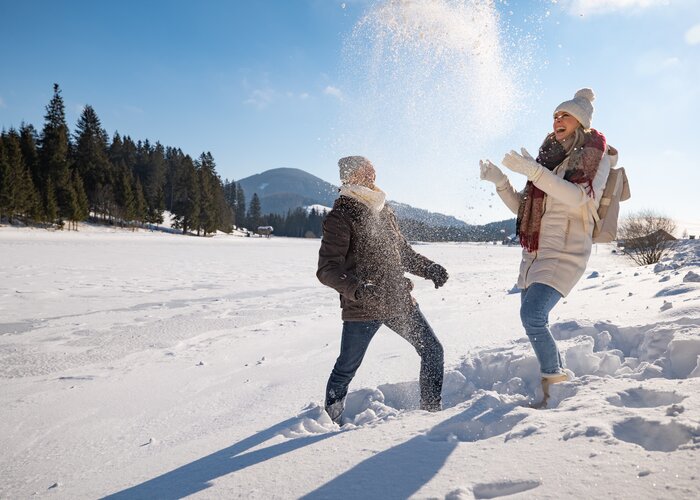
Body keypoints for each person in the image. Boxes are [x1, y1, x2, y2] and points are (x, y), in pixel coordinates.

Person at [479, 88, 617, 406]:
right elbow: (524, 208)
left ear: (579, 121)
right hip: (535, 255)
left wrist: (534, 172)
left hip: (566, 253)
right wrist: (501, 181)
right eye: (555, 115)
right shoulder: (549, 160)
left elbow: (578, 197)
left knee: (533, 315)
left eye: (564, 114)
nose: (557, 119)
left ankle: (553, 380)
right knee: (533, 319)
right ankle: (557, 378)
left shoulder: (597, 155)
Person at [317, 156, 449, 423]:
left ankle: (430, 413)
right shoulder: (341, 216)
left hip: (397, 300)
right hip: (362, 307)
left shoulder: (383, 209)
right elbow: (327, 270)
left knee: (433, 351)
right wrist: (360, 290)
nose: (373, 174)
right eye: (366, 170)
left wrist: (429, 268)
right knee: (346, 368)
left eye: (373, 169)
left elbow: (403, 253)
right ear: (350, 177)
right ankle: (329, 420)